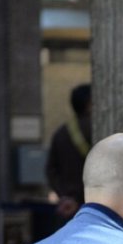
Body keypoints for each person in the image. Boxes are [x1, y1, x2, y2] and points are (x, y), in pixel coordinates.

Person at [45, 83, 92, 223]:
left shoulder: (61, 133)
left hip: (68, 206)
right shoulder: (97, 128)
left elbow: (50, 170)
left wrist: (65, 195)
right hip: (93, 204)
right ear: (90, 103)